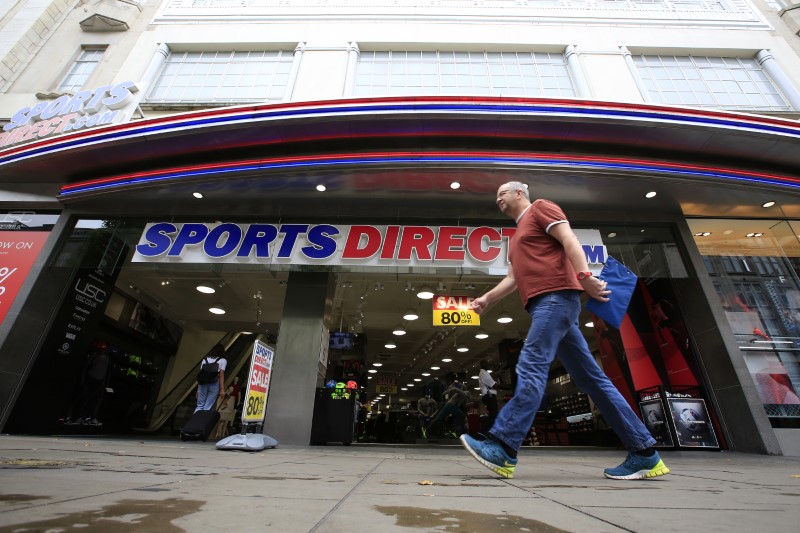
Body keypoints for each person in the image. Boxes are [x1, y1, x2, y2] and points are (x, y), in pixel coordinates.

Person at [460, 181, 669, 481]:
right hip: (546, 304)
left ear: (520, 193)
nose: (498, 199)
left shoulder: (541, 208)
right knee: (592, 378)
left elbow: (570, 240)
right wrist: (486, 299)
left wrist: (584, 276)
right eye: (496, 196)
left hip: (556, 297)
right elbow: (514, 278)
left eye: (502, 193)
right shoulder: (516, 237)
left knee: (531, 364)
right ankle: (645, 454)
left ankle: (503, 446)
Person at [195, 343, 227, 413]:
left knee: (199, 406)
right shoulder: (223, 360)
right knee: (207, 407)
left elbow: (201, 375)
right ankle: (202, 423)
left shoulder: (205, 360)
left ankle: (194, 422)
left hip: (202, 384)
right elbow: (221, 375)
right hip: (214, 384)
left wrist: (198, 390)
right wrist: (222, 390)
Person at [478, 359, 499, 426]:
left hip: (488, 396)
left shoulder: (485, 373)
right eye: (487, 364)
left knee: (493, 414)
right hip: (488, 396)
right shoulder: (484, 373)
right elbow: (493, 385)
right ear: (483, 365)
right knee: (493, 415)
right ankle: (490, 430)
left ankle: (490, 429)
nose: (488, 365)